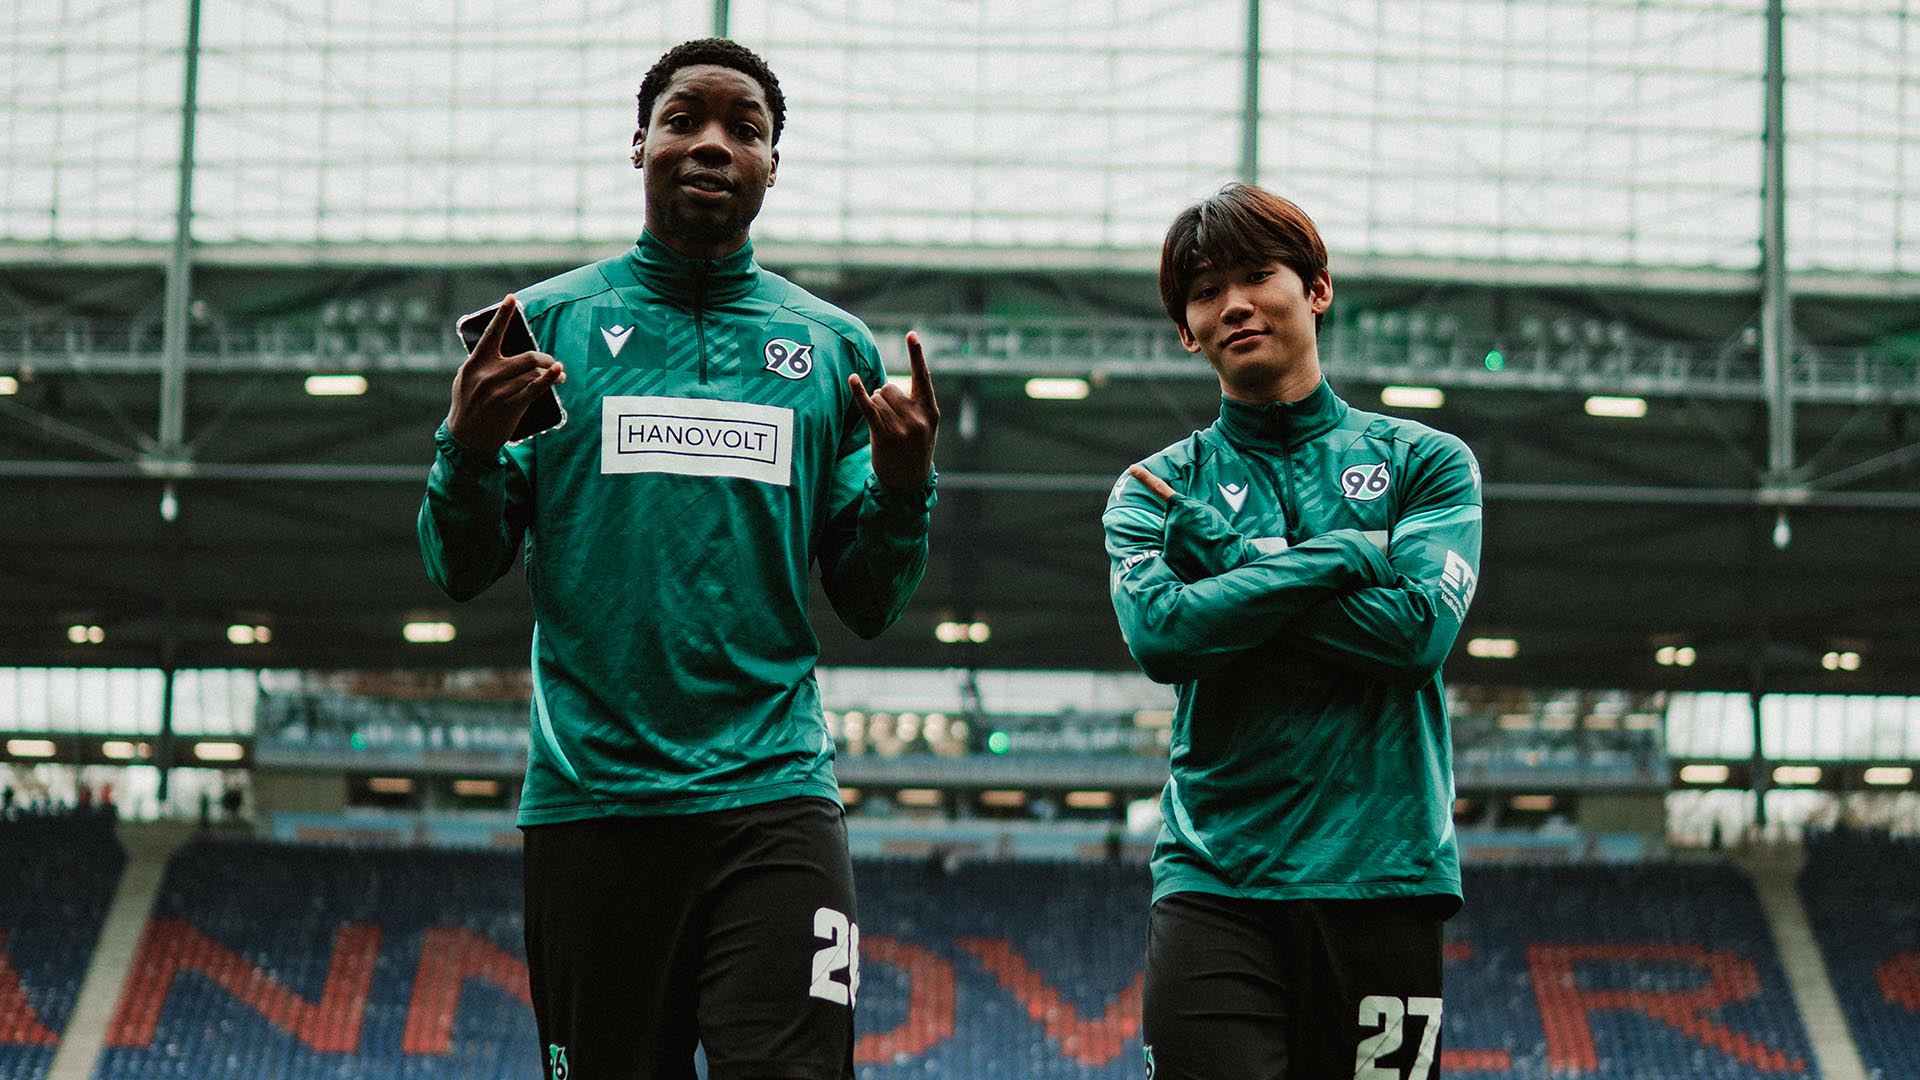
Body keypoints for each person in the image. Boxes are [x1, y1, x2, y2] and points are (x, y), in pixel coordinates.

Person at [418, 37, 939, 1080]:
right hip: (596, 803)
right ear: (640, 143)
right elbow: (458, 567)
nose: (711, 143)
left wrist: (904, 485)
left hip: (774, 792)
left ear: (773, 165)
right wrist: (466, 449)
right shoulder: (545, 329)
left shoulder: (833, 349)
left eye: (744, 129)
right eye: (683, 120)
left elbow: (870, 597)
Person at [1103, 182, 1481, 1079]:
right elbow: (1162, 638)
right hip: (1216, 880)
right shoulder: (1156, 487)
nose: (1233, 303)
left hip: (1382, 877)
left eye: (1256, 275)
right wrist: (1348, 554)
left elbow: (1414, 637)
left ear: (1316, 289)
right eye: (1204, 292)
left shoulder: (1425, 464)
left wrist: (1231, 561)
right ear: (1187, 331)